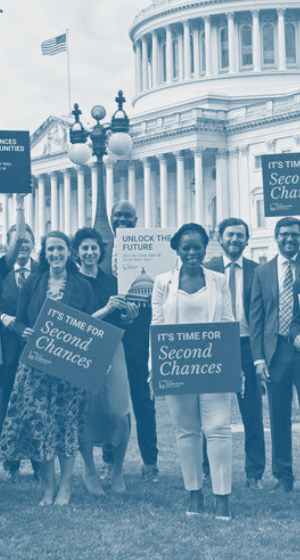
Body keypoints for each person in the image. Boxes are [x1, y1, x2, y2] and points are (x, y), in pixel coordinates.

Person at [0, 231, 99, 506]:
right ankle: (48, 487)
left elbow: (88, 328)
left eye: (61, 249)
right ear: (44, 253)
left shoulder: (83, 287)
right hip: (35, 367)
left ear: (70, 252)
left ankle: (65, 487)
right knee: (41, 427)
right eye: (50, 249)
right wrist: (24, 332)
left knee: (65, 427)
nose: (55, 254)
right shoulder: (33, 282)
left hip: (69, 370)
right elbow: (18, 321)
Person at [151, 223, 237, 520]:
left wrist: (233, 366)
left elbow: (227, 322)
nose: (191, 252)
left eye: (197, 247)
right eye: (185, 247)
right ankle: (194, 493)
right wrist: (155, 370)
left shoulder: (218, 281)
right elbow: (157, 326)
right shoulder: (163, 282)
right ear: (176, 249)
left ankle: (222, 497)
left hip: (214, 366)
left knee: (218, 430)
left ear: (205, 248)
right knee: (186, 432)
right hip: (177, 365)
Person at [248, 216, 300, 493]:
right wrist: (259, 359)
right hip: (276, 352)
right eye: (284, 234)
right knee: (278, 415)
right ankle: (283, 475)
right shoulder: (263, 271)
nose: (289, 239)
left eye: (294, 234)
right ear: (276, 237)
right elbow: (257, 318)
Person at [203, 217, 264, 489]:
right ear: (219, 237)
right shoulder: (206, 270)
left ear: (247, 240)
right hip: (215, 345)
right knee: (212, 411)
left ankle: (254, 474)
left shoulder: (258, 270)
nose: (235, 240)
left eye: (240, 235)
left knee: (252, 413)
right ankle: (207, 470)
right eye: (230, 235)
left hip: (247, 345)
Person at [73, 227, 134, 496]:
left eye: (94, 248)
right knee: (84, 412)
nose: (89, 252)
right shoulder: (72, 284)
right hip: (82, 349)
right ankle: (89, 470)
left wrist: (128, 316)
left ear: (101, 251)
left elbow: (120, 319)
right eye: (84, 248)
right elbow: (74, 324)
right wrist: (107, 309)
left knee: (120, 412)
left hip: (112, 347)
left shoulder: (113, 281)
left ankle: (118, 470)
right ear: (77, 252)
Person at [108, 200, 160, 482]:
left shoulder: (149, 251)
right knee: (108, 402)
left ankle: (150, 462)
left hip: (140, 336)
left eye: (128, 216)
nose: (123, 220)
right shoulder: (102, 250)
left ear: (136, 219)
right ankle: (108, 460)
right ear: (111, 218)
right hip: (111, 335)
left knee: (143, 401)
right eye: (118, 216)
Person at [0, 222, 35, 483]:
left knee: (36, 405)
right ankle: (10, 462)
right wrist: (3, 317)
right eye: (16, 242)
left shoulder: (44, 271)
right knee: (7, 406)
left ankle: (39, 462)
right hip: (6, 348)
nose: (22, 246)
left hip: (36, 348)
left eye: (26, 241)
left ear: (33, 243)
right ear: (9, 245)